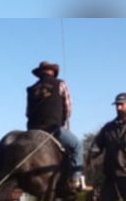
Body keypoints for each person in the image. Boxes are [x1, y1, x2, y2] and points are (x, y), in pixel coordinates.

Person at [26, 60, 86, 190]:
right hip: (52, 128)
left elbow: (27, 113)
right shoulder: (60, 84)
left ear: (40, 73)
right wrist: (63, 122)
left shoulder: (31, 89)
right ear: (53, 72)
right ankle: (75, 179)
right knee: (77, 146)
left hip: (32, 130)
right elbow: (68, 108)